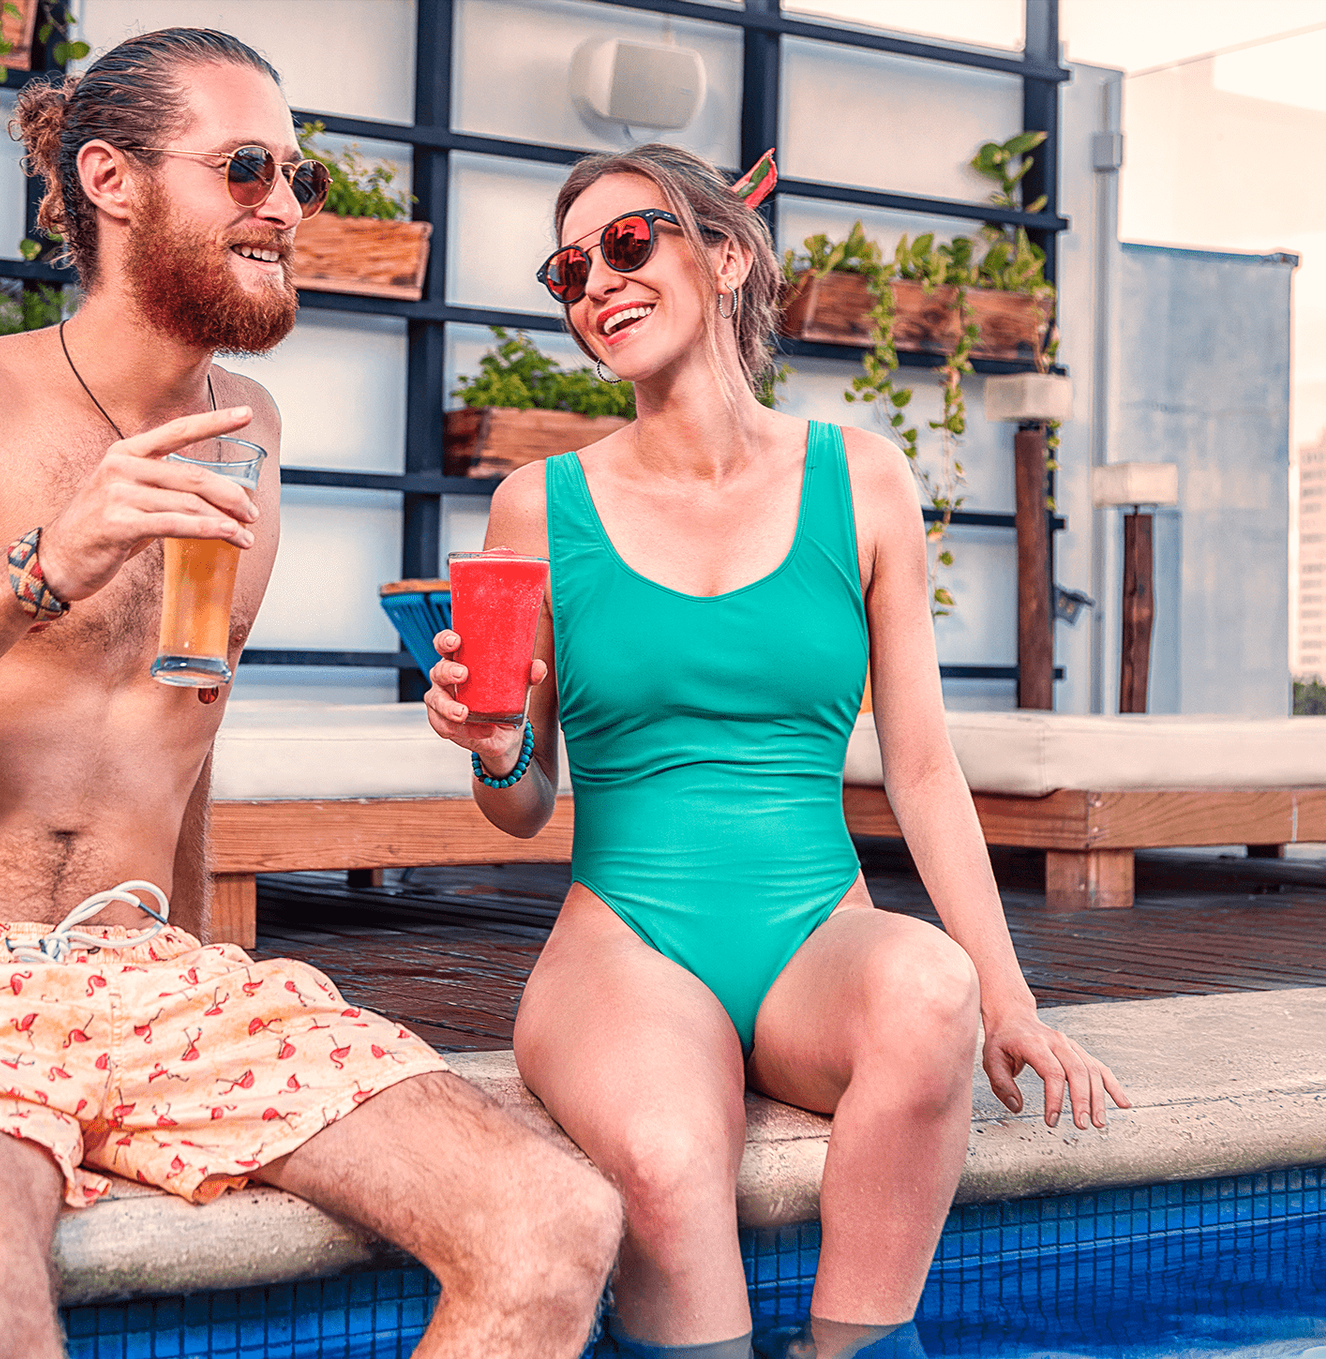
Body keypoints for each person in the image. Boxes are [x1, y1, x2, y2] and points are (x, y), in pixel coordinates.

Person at [0, 29, 620, 1359]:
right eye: (247, 167)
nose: (285, 205)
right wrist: (42, 568)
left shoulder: (251, 430)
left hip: (160, 980)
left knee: (554, 1220)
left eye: (301, 180)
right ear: (112, 179)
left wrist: (210, 964)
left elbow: (179, 739)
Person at [423, 143, 1131, 1359]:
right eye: (570, 267)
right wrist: (492, 749)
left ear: (729, 253)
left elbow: (920, 767)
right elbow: (524, 804)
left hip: (816, 931)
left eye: (631, 244)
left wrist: (1012, 1000)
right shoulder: (539, 505)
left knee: (934, 993)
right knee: (665, 1154)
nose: (598, 282)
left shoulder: (862, 478)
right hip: (627, 945)